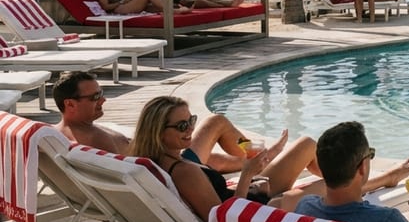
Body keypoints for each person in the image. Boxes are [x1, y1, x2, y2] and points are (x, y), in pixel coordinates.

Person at [128, 97, 409, 219]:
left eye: (190, 120)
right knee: (333, 188)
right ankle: (379, 180)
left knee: (307, 144)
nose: (190, 129)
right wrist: (247, 175)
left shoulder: (161, 158)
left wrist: (250, 169)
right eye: (181, 126)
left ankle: (260, 153)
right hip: (253, 213)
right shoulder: (184, 171)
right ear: (158, 132)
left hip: (250, 193)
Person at [54, 72, 260, 173]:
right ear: (70, 104)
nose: (103, 100)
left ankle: (254, 161)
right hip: (168, 172)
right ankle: (253, 153)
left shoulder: (60, 134)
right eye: (95, 96)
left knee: (214, 158)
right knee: (217, 122)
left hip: (159, 163)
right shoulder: (95, 138)